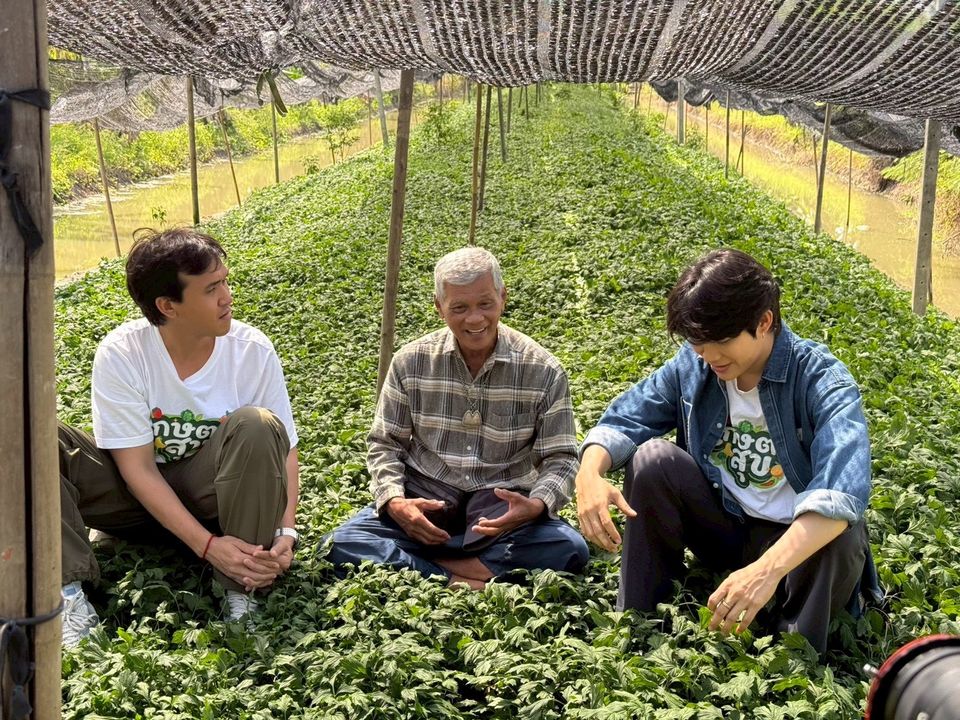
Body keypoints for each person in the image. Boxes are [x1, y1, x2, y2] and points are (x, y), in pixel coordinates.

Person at [575, 248, 879, 654]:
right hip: (727, 525)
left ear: (764, 321)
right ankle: (640, 621)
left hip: (796, 545)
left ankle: (793, 650)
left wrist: (765, 571)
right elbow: (626, 418)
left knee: (841, 530)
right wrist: (589, 473)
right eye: (697, 342)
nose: (708, 355)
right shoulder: (696, 363)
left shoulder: (823, 380)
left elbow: (841, 494)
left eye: (720, 340)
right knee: (652, 460)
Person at [59, 228, 300, 647]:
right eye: (211, 289)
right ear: (168, 305)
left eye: (224, 281)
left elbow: (285, 453)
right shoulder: (123, 354)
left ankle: (241, 584)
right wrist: (206, 547)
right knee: (39, 436)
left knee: (259, 424)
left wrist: (285, 532)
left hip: (215, 500)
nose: (227, 296)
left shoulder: (251, 350)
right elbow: (137, 470)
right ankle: (65, 596)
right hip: (131, 500)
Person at [328, 247, 588, 588]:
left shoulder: (543, 369)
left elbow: (562, 458)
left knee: (568, 549)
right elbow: (384, 444)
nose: (475, 319)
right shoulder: (411, 362)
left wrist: (537, 505)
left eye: (485, 304)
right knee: (339, 544)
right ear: (439, 308)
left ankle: (425, 567)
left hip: (500, 511)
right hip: (426, 502)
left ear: (503, 297)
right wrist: (394, 502)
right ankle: (465, 575)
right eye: (459, 308)